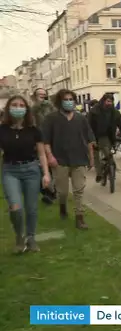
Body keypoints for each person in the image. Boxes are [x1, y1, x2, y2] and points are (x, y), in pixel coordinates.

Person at [0, 95, 51, 253]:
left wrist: (46, 174)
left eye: (21, 105)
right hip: (10, 171)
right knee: (15, 207)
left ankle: (31, 238)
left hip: (31, 171)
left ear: (26, 109)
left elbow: (42, 154)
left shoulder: (34, 130)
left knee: (31, 208)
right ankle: (19, 237)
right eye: (14, 105)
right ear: (8, 108)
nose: (18, 108)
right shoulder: (2, 130)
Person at [42, 89, 95, 229]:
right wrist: (50, 157)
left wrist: (91, 158)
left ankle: (80, 218)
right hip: (60, 160)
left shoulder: (81, 118)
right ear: (60, 102)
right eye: (66, 99)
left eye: (71, 99)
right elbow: (45, 141)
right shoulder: (51, 118)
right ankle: (62, 206)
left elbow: (89, 139)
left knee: (79, 189)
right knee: (63, 191)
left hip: (79, 159)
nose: (69, 102)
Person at [88, 93, 121, 183]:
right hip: (94, 136)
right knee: (96, 156)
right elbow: (88, 126)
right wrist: (90, 139)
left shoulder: (115, 113)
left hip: (107, 136)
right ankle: (99, 174)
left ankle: (110, 167)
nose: (109, 103)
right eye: (108, 101)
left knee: (107, 152)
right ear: (103, 101)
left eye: (111, 101)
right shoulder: (94, 111)